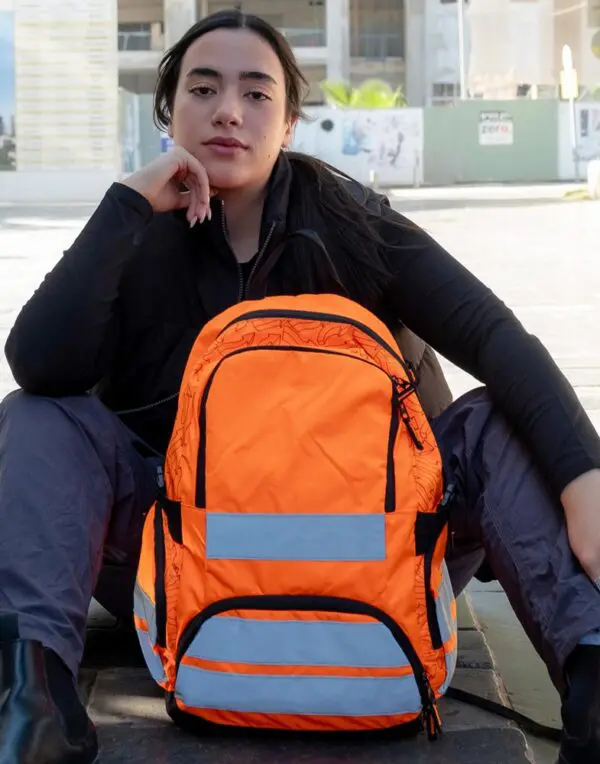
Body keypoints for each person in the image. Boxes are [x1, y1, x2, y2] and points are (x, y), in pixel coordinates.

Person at [0, 10, 599, 764]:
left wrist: (586, 481)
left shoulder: (352, 223)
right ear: (168, 112)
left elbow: (495, 338)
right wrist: (124, 207)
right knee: (43, 419)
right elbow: (40, 365)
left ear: (288, 122)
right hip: (191, 559)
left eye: (256, 93)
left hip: (386, 554)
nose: (227, 110)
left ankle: (592, 678)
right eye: (203, 87)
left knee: (491, 422)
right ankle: (36, 700)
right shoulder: (136, 236)